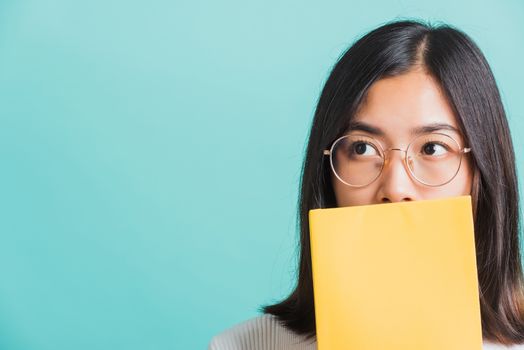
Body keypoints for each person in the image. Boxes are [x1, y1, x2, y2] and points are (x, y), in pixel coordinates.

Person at [208, 19, 524, 349]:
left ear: (482, 172)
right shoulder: (243, 346)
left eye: (432, 148)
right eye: (362, 148)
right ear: (327, 174)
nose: (396, 187)